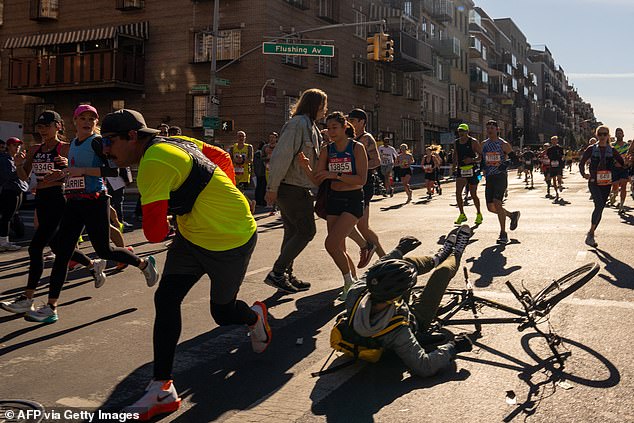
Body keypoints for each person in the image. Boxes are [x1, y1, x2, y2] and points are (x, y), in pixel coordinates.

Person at [99, 109, 268, 421]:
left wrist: (218, 204)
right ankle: (162, 388)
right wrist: (217, 194)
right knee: (166, 299)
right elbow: (221, 157)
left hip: (230, 238)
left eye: (109, 142)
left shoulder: (152, 163)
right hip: (192, 237)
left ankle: (254, 317)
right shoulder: (173, 141)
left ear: (132, 137)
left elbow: (153, 233)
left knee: (222, 312)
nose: (106, 150)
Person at [22, 105, 159, 323]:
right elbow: (74, 172)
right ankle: (51, 307)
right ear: (74, 121)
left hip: (96, 202)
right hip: (73, 203)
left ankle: (143, 264)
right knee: (63, 254)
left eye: (92, 119)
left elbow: (114, 171)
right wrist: (63, 173)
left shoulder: (97, 142)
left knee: (104, 249)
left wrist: (82, 171)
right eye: (83, 118)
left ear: (97, 123)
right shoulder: (72, 145)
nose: (88, 122)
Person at [1, 111, 108, 316]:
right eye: (39, 127)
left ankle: (28, 298)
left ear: (58, 126)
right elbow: (24, 177)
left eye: (47, 126)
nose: (42, 130)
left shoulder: (66, 147)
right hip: (42, 200)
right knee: (58, 245)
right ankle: (93, 265)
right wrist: (19, 163)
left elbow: (75, 172)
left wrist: (66, 170)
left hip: (60, 200)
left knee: (36, 247)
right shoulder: (34, 149)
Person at [344, 224, 474, 377]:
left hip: (388, 311)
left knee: (404, 264)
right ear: (396, 298)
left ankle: (437, 258)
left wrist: (399, 250)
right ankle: (456, 253)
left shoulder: (356, 292)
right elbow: (424, 366)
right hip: (416, 320)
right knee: (442, 273)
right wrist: (453, 347)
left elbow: (376, 268)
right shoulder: (398, 332)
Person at [299, 112, 368, 300]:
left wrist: (335, 175)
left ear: (345, 126)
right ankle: (353, 281)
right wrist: (306, 168)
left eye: (334, 128)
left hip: (353, 199)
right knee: (339, 247)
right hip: (333, 199)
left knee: (330, 244)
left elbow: (361, 180)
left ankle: (349, 282)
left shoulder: (357, 147)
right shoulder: (327, 150)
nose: (330, 132)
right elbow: (318, 179)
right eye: (328, 128)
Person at [264, 88, 326, 293]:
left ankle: (285, 276)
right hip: (291, 188)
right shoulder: (297, 124)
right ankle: (278, 272)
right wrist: (272, 188)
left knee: (292, 232)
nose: (325, 111)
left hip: (298, 187)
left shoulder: (312, 127)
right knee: (307, 231)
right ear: (315, 105)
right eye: (323, 106)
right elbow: (281, 156)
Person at [579, 126, 625, 247]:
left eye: (605, 134)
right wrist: (584, 174)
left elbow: (622, 162)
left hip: (606, 184)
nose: (603, 137)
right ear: (597, 135)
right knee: (599, 205)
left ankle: (591, 232)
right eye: (600, 134)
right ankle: (591, 235)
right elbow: (582, 162)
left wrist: (618, 170)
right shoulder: (592, 149)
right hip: (594, 182)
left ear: (608, 136)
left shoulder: (612, 149)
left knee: (600, 208)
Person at [481, 120, 520, 244]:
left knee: (498, 203)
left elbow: (516, 160)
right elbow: (483, 160)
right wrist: (480, 168)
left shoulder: (503, 144)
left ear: (497, 129)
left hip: (500, 177)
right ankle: (512, 215)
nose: (490, 130)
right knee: (490, 208)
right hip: (489, 178)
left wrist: (505, 164)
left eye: (492, 128)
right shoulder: (484, 144)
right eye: (488, 128)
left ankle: (503, 233)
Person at [0, 137, 29, 251]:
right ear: (8, 146)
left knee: (10, 216)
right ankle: (3, 242)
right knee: (6, 217)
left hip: (18, 190)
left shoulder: (14, 159)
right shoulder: (4, 159)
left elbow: (24, 177)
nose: (17, 147)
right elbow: (7, 176)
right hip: (9, 191)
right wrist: (19, 168)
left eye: (18, 145)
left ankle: (4, 241)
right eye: (14, 145)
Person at [452, 124, 483, 225]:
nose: (461, 133)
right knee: (458, 193)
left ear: (467, 131)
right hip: (461, 169)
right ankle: (462, 214)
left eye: (463, 131)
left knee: (473, 194)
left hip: (472, 169)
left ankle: (479, 214)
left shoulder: (473, 142)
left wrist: (472, 159)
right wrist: (454, 166)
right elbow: (455, 154)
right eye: (460, 131)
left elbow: (481, 156)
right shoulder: (456, 142)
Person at [609, 128, 630, 213]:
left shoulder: (627, 146)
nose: (619, 135)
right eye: (617, 133)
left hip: (624, 168)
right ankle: (613, 194)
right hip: (615, 168)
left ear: (623, 135)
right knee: (615, 185)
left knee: (624, 186)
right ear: (615, 135)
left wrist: (628, 161)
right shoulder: (612, 146)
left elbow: (629, 156)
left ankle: (621, 205)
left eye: (620, 133)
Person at [546, 136, 565, 201]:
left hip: (559, 164)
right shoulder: (549, 149)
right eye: (553, 140)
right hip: (552, 165)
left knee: (559, 177)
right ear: (551, 141)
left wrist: (562, 162)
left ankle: (559, 185)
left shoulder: (560, 148)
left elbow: (562, 156)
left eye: (555, 140)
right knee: (553, 179)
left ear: (557, 141)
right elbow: (548, 156)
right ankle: (556, 193)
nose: (554, 141)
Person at [253, 140, 268, 206]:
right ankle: (262, 201)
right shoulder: (263, 154)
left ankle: (258, 201)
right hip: (263, 172)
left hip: (258, 173)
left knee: (258, 187)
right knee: (263, 187)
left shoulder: (256, 154)